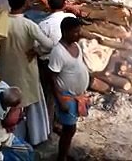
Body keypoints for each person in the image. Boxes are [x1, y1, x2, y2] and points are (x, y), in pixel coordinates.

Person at [0, 0, 55, 146]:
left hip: (7, 70)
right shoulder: (28, 24)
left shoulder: (0, 21)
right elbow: (49, 44)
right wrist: (36, 50)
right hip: (27, 71)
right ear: (26, 3)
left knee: (10, 105)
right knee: (30, 104)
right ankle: (35, 137)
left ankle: (12, 139)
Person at [49, 17, 90, 161]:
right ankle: (61, 157)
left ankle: (64, 153)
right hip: (66, 97)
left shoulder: (76, 46)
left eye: (79, 31)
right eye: (75, 32)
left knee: (69, 129)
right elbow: (52, 78)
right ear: (65, 32)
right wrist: (60, 100)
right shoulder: (58, 52)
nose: (78, 34)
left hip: (77, 96)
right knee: (69, 129)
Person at [37, 0, 76, 123]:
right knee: (65, 92)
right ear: (65, 3)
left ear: (48, 4)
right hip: (67, 62)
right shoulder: (71, 18)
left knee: (49, 94)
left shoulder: (43, 24)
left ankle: (48, 123)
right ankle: (62, 120)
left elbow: (38, 47)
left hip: (48, 64)